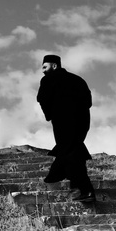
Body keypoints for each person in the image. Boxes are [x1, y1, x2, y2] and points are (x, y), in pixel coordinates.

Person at [36, 54, 95, 203]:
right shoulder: (78, 79)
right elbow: (88, 101)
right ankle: (76, 185)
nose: (43, 70)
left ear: (54, 66)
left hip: (63, 120)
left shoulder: (48, 79)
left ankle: (84, 189)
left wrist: (50, 114)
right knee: (73, 149)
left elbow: (42, 99)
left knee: (69, 151)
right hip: (82, 122)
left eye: (45, 67)